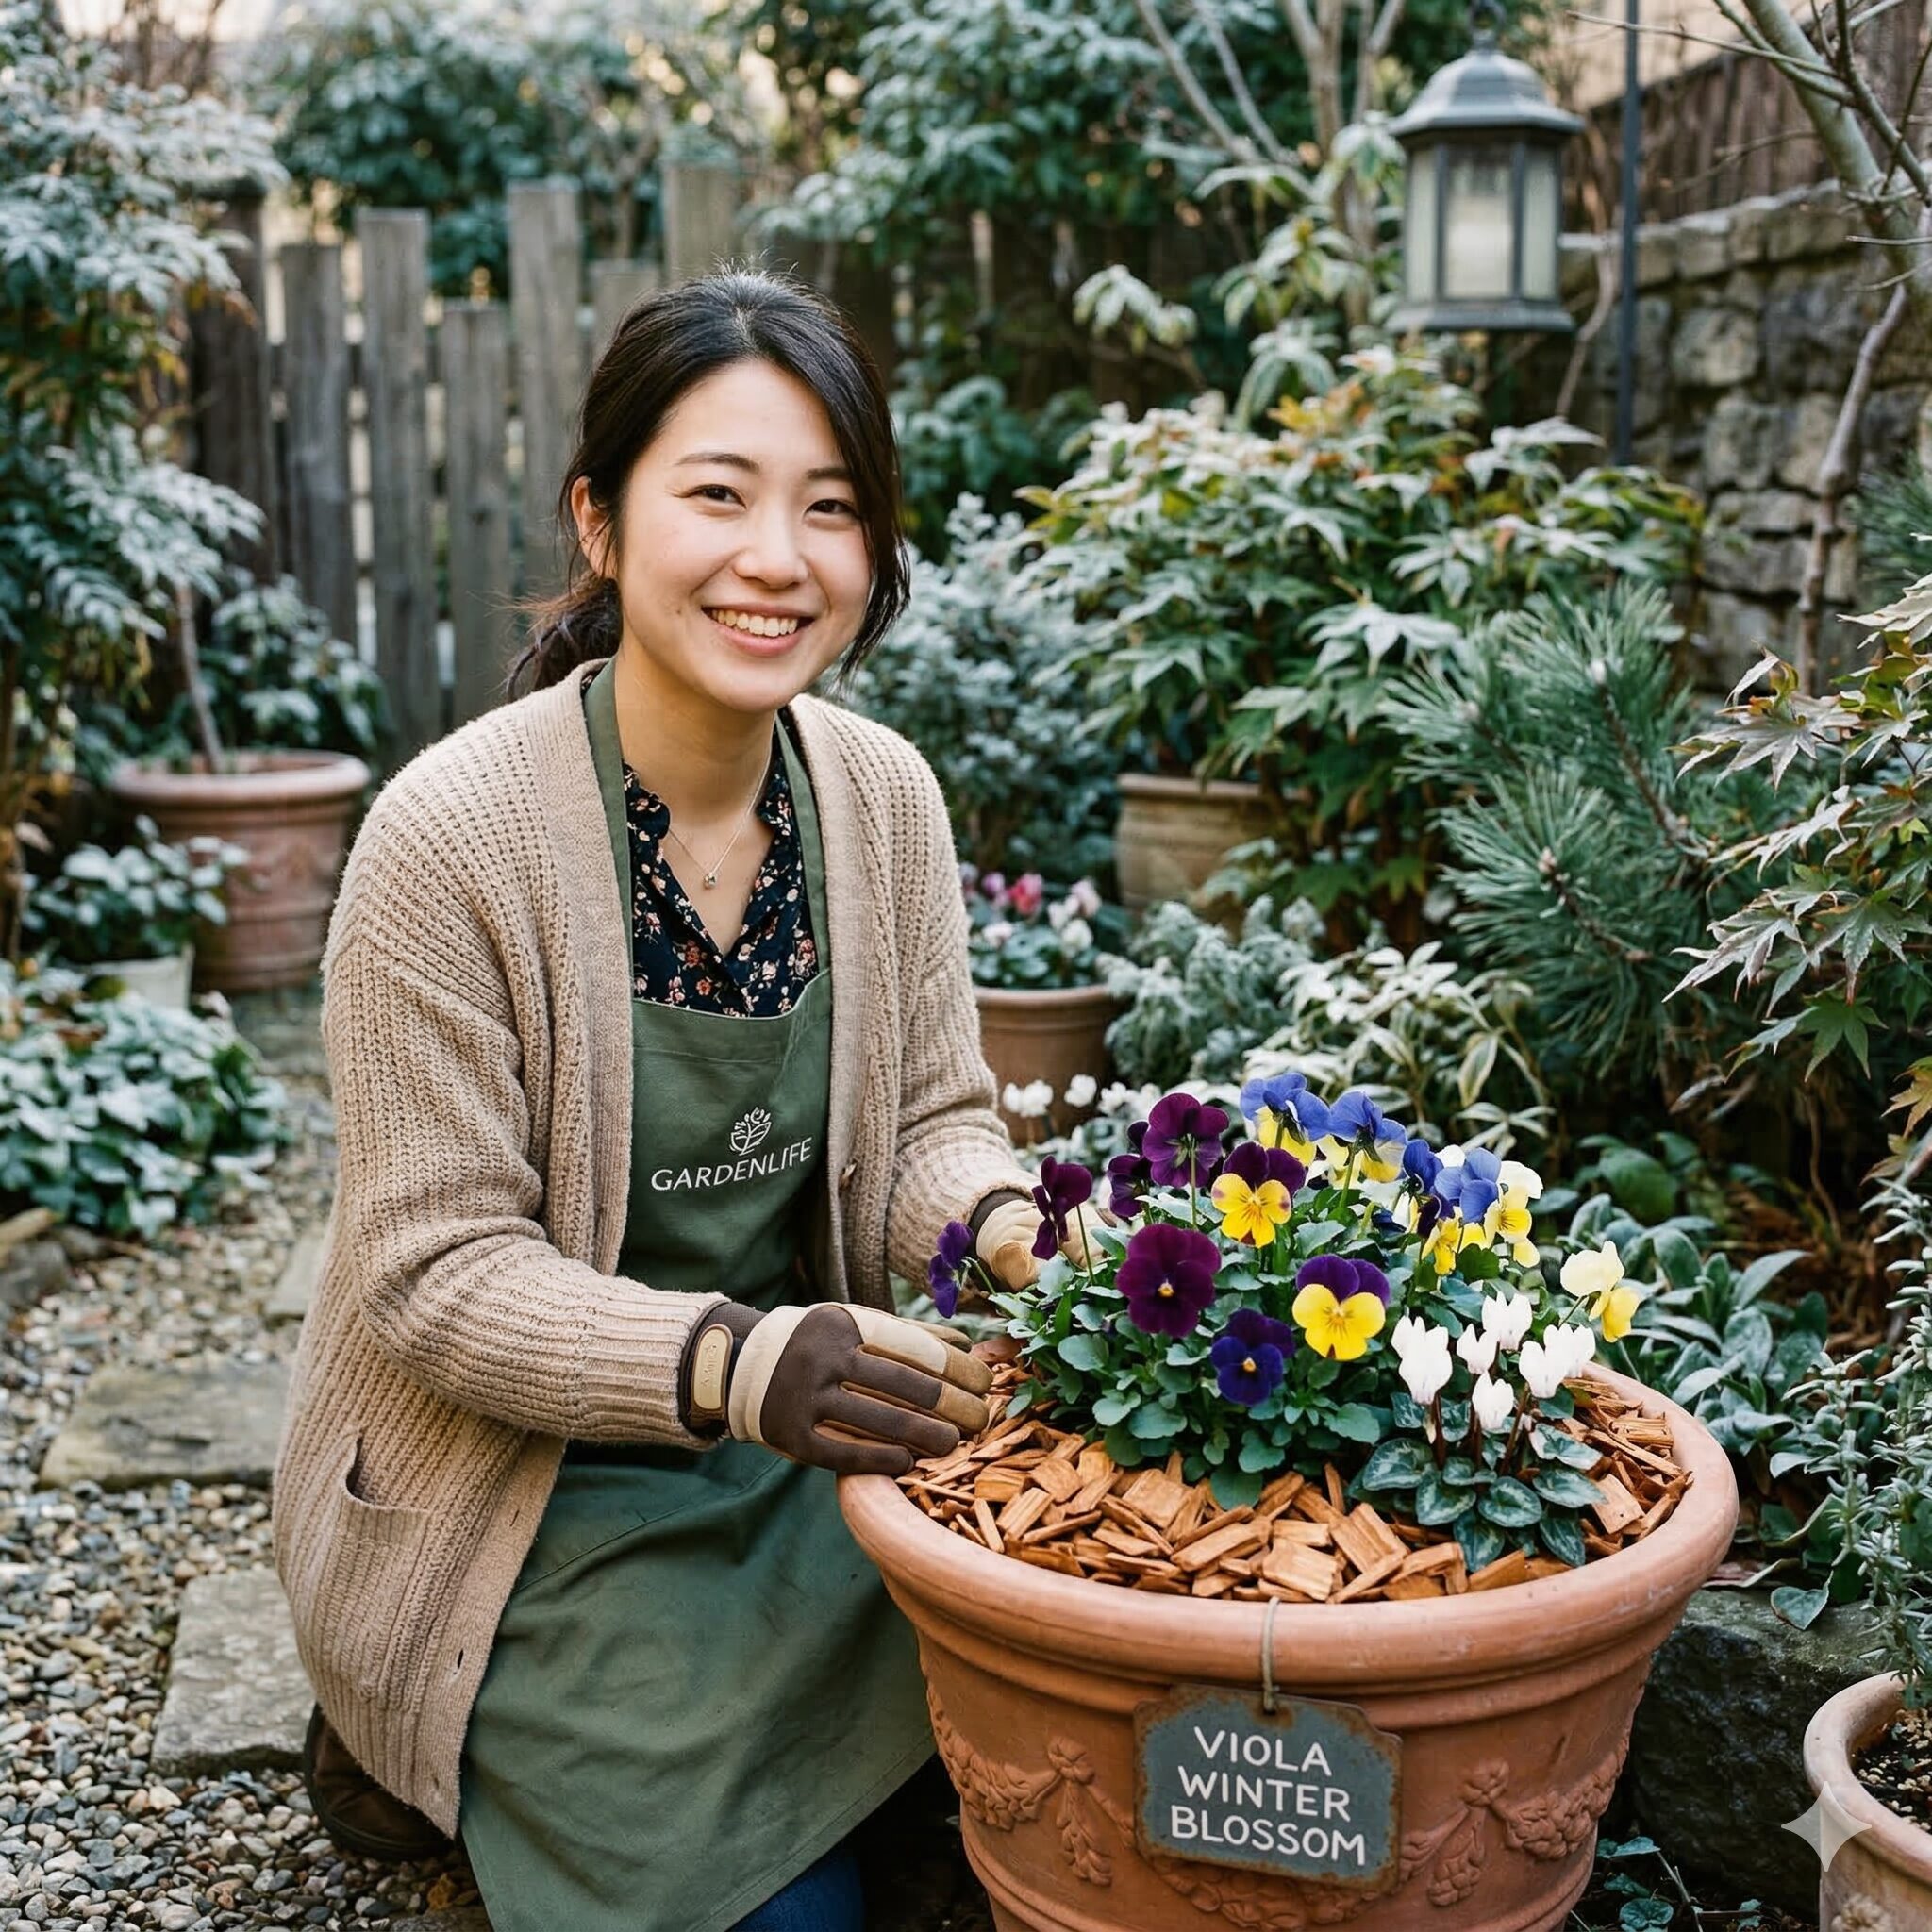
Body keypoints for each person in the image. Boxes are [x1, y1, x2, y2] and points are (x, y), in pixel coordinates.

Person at [269, 265, 1101, 1932]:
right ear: (601, 519)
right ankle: (431, 1748)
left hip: (807, 1434)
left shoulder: (880, 800)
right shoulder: (453, 842)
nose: (776, 559)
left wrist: (1010, 1233)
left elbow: (932, 1126)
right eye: (714, 494)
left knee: (1082, 1703)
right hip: (520, 1491)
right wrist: (728, 1358)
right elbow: (429, 1276)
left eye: (830, 509)